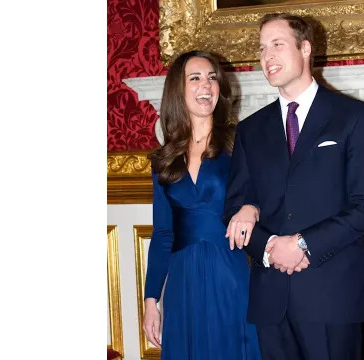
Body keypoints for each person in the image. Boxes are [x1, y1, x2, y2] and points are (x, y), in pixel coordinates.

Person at [224, 13, 364, 359]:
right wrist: (268, 247)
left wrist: (303, 244)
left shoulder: (354, 117)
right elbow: (235, 206)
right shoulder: (250, 130)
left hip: (333, 296)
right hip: (271, 301)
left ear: (306, 48)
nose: (267, 56)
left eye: (277, 45)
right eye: (262, 48)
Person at [143, 50, 261, 360]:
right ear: (177, 91)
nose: (205, 85)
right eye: (194, 78)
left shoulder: (241, 142)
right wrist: (150, 299)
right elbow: (163, 233)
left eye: (211, 78)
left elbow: (266, 197)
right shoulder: (163, 160)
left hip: (230, 272)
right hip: (182, 282)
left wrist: (252, 208)